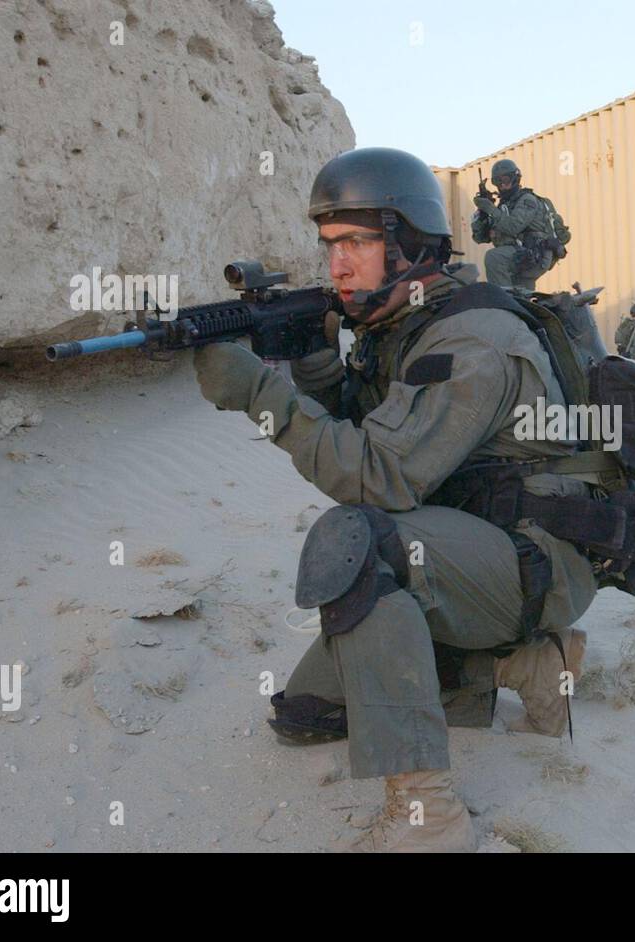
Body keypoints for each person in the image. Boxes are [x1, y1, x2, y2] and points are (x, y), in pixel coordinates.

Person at [193, 147, 598, 852]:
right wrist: (316, 362)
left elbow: (377, 476)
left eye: (356, 243)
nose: (338, 265)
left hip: (537, 560)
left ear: (410, 244)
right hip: (466, 543)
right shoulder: (404, 324)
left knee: (361, 539)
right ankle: (528, 667)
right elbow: (369, 424)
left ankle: (427, 816)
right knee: (309, 714)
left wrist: (262, 395)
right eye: (329, 247)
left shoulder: (472, 338)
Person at [470, 158, 558, 289]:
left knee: (494, 257)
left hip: (535, 253)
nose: (502, 185)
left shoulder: (527, 200)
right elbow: (480, 238)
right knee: (523, 297)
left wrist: (490, 208)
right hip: (521, 255)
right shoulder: (504, 206)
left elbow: (513, 227)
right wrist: (482, 214)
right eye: (497, 182)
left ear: (515, 178)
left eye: (505, 180)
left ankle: (503, 302)